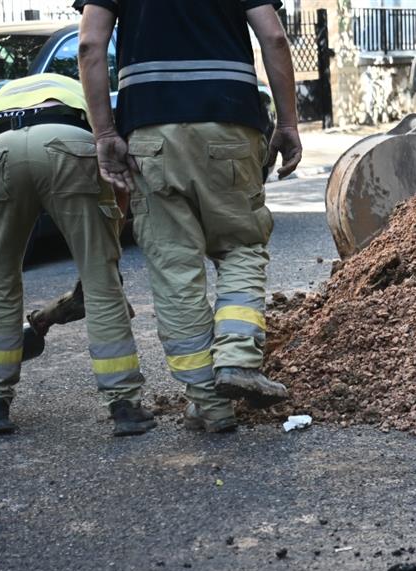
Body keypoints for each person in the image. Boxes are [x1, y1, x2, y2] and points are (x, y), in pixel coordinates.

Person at [75, 0, 303, 433]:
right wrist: (287, 122)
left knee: (175, 270)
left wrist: (104, 132)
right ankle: (237, 356)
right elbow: (273, 36)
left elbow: (90, 44)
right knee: (241, 245)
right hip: (231, 122)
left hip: (150, 133)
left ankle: (210, 405)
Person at [0, 72, 154, 437]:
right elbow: (117, 176)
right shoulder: (79, 90)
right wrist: (108, 251)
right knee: (100, 283)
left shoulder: (1, 96)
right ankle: (124, 405)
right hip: (68, 142)